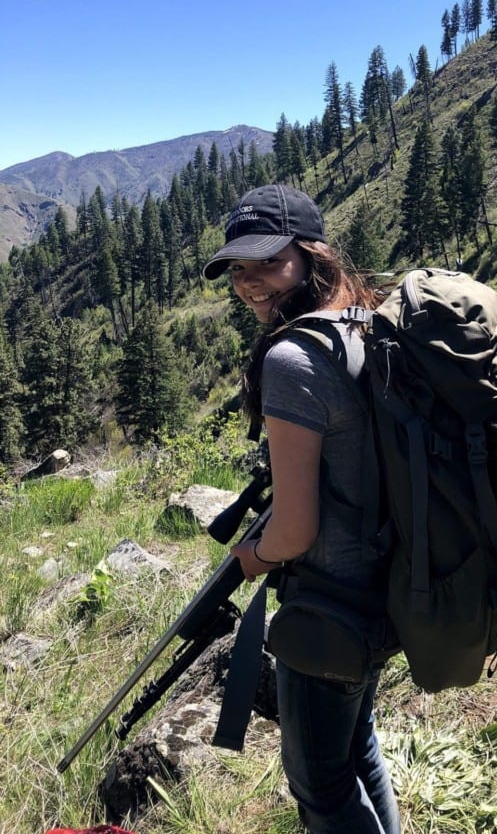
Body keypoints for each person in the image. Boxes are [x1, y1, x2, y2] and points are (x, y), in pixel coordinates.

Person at [203, 184, 400, 834]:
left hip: (329, 609)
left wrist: (252, 556)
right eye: (239, 268)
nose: (251, 282)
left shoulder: (291, 359)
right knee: (357, 749)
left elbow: (294, 531)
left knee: (320, 788)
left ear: (311, 254)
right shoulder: (363, 319)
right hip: (385, 584)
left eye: (268, 263)